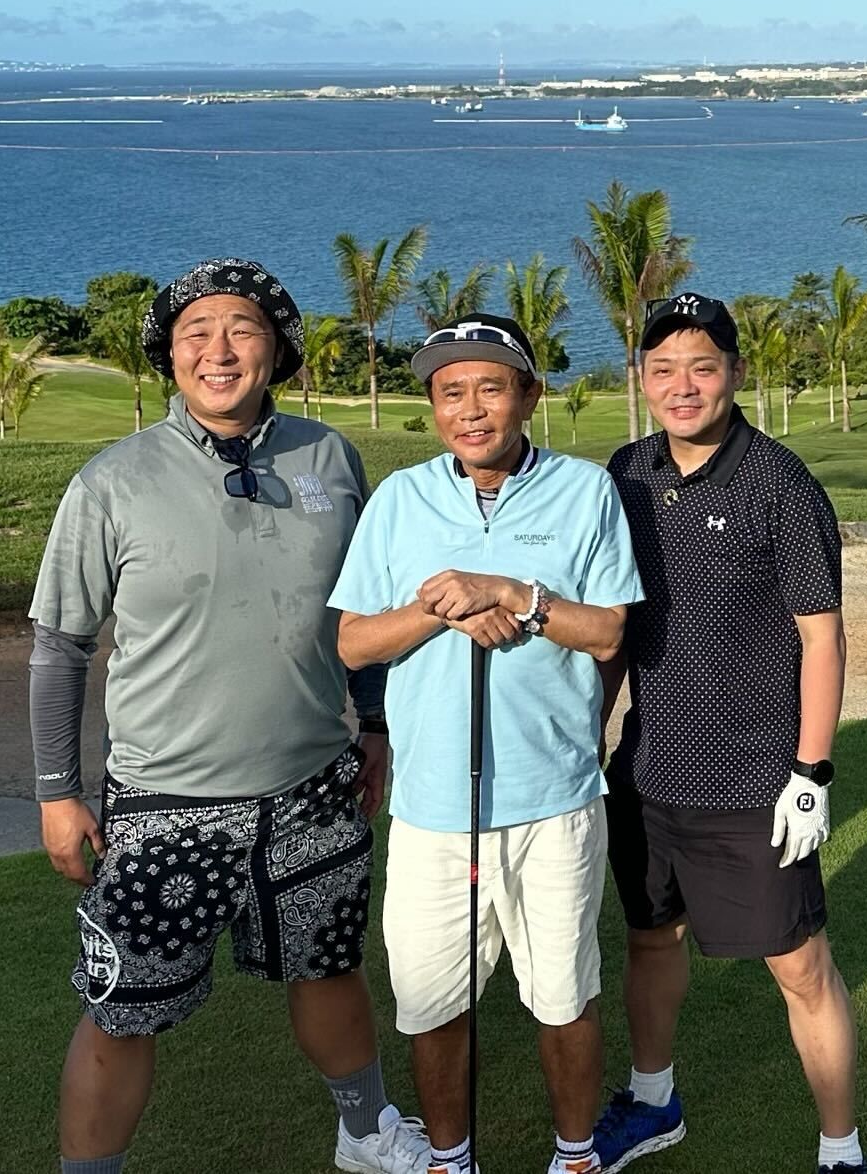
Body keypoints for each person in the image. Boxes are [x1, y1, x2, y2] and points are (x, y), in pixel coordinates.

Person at [27, 258, 429, 1174]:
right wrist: (57, 792)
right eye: (194, 333)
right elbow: (60, 648)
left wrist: (372, 727)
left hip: (313, 787)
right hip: (167, 802)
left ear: (276, 349)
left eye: (241, 329)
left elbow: (357, 615)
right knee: (123, 1008)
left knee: (329, 967)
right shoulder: (111, 482)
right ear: (168, 355)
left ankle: (367, 1134)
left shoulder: (330, 458)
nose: (218, 350)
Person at [333, 314, 642, 1174]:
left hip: (556, 798)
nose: (471, 409)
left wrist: (513, 590)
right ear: (434, 407)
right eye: (450, 392)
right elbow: (354, 643)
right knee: (433, 1005)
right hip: (433, 808)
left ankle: (575, 1157)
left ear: (529, 396)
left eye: (491, 387)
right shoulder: (401, 500)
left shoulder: (585, 492)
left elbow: (611, 631)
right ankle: (449, 1159)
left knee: (563, 997)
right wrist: (445, 607)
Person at [595, 292, 867, 1174]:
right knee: (650, 939)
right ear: (642, 380)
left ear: (735, 374)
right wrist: (588, 740)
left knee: (798, 966)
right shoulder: (626, 474)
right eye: (664, 369)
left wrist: (812, 772)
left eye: (702, 368)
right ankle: (652, 1100)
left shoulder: (781, 484)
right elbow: (611, 628)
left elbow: (821, 637)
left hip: (754, 781)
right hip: (649, 767)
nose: (683, 387)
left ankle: (840, 1148)